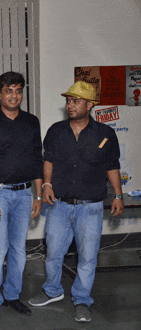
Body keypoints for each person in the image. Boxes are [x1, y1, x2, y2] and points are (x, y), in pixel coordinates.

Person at [28, 81, 124, 323]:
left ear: (90, 105)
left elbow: (112, 166)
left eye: (76, 101)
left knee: (88, 257)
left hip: (90, 207)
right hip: (59, 205)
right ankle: (52, 291)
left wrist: (119, 195)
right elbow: (47, 160)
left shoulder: (106, 134)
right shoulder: (56, 131)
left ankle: (82, 300)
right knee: (53, 254)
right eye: (68, 101)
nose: (70, 105)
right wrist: (47, 184)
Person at [0, 71, 43, 324]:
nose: (14, 95)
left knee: (18, 250)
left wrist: (38, 194)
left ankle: (12, 295)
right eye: (9, 90)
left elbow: (37, 159)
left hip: (25, 195)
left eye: (18, 90)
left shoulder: (31, 122)